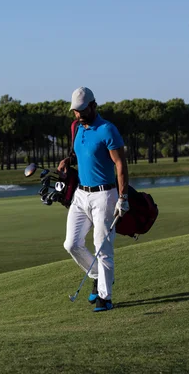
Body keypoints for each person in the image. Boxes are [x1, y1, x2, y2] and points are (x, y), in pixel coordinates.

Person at [58, 86, 130, 312]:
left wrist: (122, 197)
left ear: (92, 105)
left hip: (105, 196)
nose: (77, 114)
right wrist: (67, 160)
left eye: (81, 110)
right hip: (81, 195)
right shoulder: (76, 128)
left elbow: (120, 164)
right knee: (71, 244)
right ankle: (99, 275)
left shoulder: (107, 129)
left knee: (102, 245)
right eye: (74, 111)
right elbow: (81, 153)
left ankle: (105, 297)